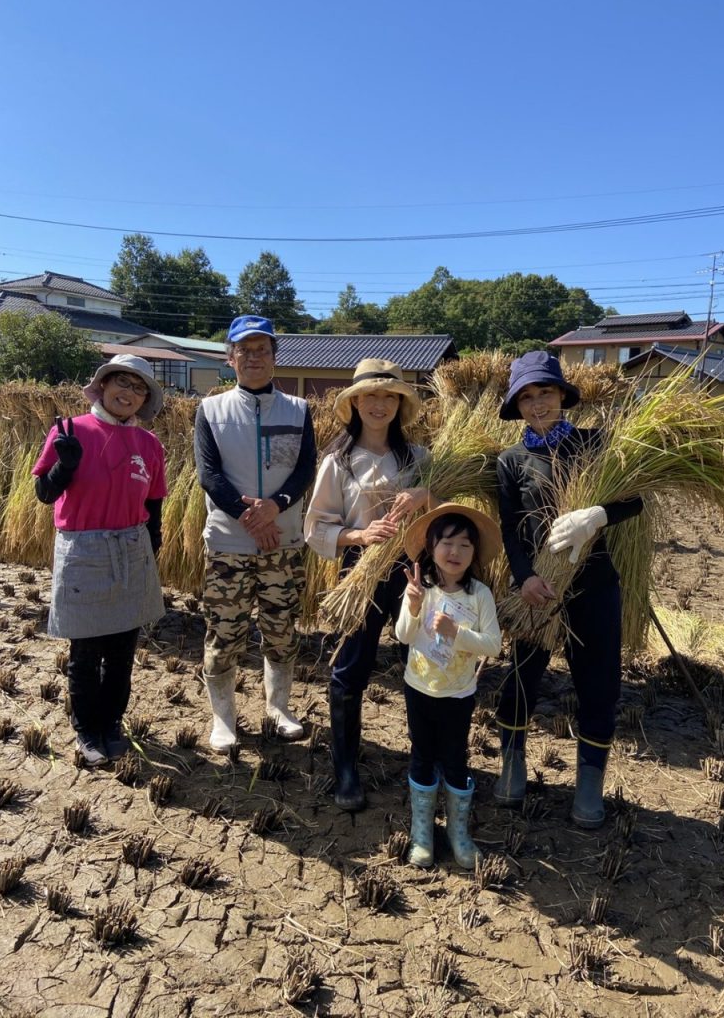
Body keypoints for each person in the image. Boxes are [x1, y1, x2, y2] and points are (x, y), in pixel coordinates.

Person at [494, 351, 643, 828]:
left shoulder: (596, 443)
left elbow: (634, 498)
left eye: (546, 392)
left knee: (598, 686)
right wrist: (524, 578)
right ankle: (512, 762)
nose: (537, 404)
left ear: (563, 396)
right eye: (527, 396)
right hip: (538, 590)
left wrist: (596, 515)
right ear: (516, 405)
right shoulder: (510, 461)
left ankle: (589, 785)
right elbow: (511, 529)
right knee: (522, 676)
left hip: (595, 585)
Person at [304, 358, 436, 811]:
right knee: (350, 668)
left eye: (389, 396)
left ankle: (426, 763)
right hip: (358, 572)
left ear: (399, 404)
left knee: (420, 665)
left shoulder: (419, 459)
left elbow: (447, 516)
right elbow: (316, 527)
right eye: (370, 396)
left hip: (411, 571)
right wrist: (359, 535)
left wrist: (425, 496)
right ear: (355, 403)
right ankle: (345, 770)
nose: (379, 405)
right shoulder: (337, 462)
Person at [33, 354, 167, 766]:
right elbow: (45, 493)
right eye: (121, 383)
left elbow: (154, 502)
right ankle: (87, 729)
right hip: (84, 549)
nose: (128, 393)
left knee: (123, 649)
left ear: (145, 399)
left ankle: (111, 723)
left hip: (131, 546)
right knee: (86, 651)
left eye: (138, 387)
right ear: (103, 386)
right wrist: (64, 468)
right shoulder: (70, 431)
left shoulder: (148, 445)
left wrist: (151, 547)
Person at [194, 315, 316, 751]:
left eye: (262, 349)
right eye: (244, 350)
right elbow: (209, 475)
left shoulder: (299, 410)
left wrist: (275, 509)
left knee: (281, 628)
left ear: (275, 356)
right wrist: (252, 520)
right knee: (224, 632)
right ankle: (223, 719)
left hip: (283, 542)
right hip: (229, 543)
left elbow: (304, 470)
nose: (254, 357)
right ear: (231, 359)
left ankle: (279, 707)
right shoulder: (210, 410)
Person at [397, 504, 502, 869]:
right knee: (422, 755)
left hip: (458, 694)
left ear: (474, 554)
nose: (454, 552)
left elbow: (493, 645)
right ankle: (422, 833)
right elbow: (404, 636)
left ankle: (459, 834)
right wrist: (412, 608)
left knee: (456, 759)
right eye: (446, 543)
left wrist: (456, 633)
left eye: (464, 545)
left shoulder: (480, 596)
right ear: (431, 547)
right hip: (419, 689)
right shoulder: (420, 589)